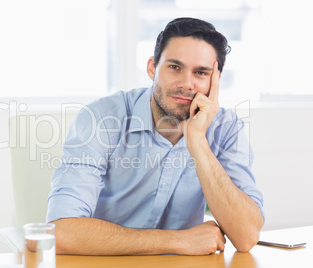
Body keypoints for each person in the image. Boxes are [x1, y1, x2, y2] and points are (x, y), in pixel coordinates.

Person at [46, 17, 264, 255]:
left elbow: (246, 237)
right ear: (152, 68)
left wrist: (197, 141)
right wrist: (179, 241)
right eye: (174, 67)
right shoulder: (101, 118)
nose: (186, 84)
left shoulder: (227, 128)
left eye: (201, 73)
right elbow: (61, 232)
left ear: (215, 81)